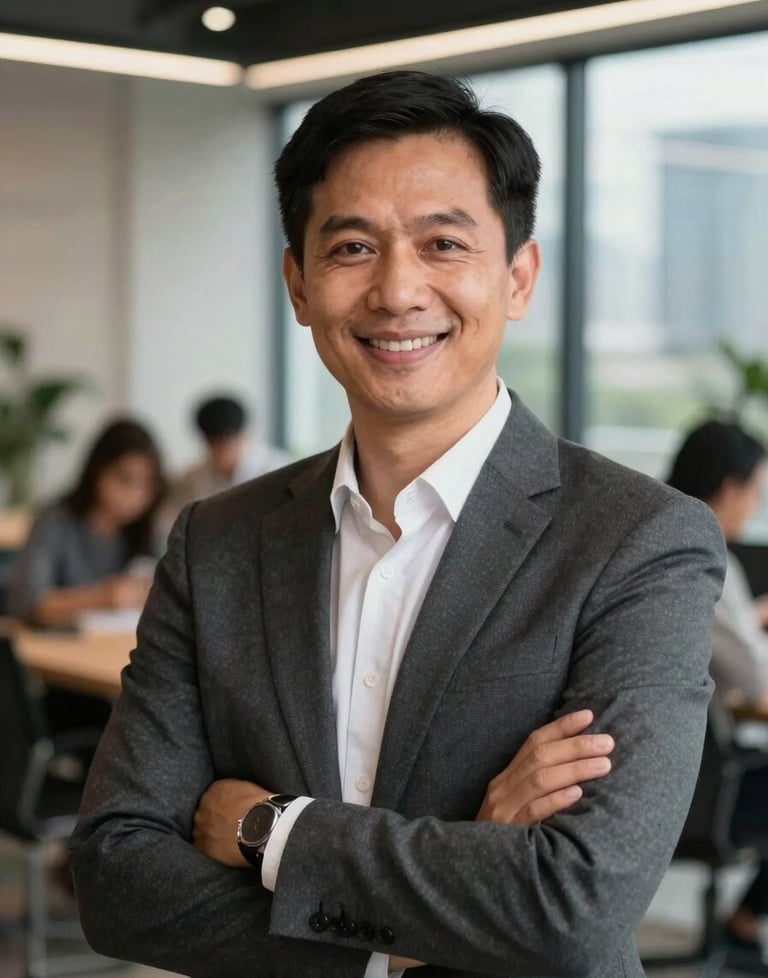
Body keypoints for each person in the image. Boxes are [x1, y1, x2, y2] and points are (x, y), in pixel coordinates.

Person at [71, 71, 726, 978]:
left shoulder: (639, 540)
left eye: (443, 243)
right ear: (298, 286)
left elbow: (577, 904)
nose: (397, 290)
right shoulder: (216, 541)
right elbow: (115, 875)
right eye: (352, 248)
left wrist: (270, 831)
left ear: (519, 277)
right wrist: (419, 935)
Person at [667, 417, 768, 949]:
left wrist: (751, 618)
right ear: (730, 487)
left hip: (666, 778)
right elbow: (755, 678)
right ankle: (745, 921)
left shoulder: (655, 544)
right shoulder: (708, 558)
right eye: (756, 491)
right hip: (705, 794)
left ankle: (744, 923)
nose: (755, 506)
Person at [8, 416, 165, 732]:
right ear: (97, 471)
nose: (134, 495)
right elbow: (25, 601)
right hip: (62, 677)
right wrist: (102, 597)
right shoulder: (56, 521)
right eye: (124, 480)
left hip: (123, 661)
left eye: (146, 485)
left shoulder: (147, 531)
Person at [164, 394, 292, 517]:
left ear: (242, 435)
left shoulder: (279, 469)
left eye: (226, 442)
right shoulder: (194, 478)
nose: (222, 452)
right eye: (213, 443)